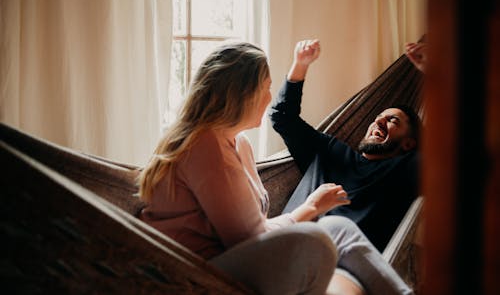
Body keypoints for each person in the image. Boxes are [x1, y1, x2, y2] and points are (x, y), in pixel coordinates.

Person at [137, 42, 414, 295]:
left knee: (336, 227)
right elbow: (247, 237)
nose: (269, 97)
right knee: (316, 239)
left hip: (242, 254)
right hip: (192, 271)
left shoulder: (240, 145)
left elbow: (250, 231)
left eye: (392, 121)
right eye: (266, 88)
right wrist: (310, 208)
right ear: (243, 95)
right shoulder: (205, 144)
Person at [270, 39, 426, 253]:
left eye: (393, 121)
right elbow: (283, 117)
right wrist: (300, 64)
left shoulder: (405, 170)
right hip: (284, 246)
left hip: (340, 266)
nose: (379, 121)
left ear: (409, 144)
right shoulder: (329, 151)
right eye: (378, 116)